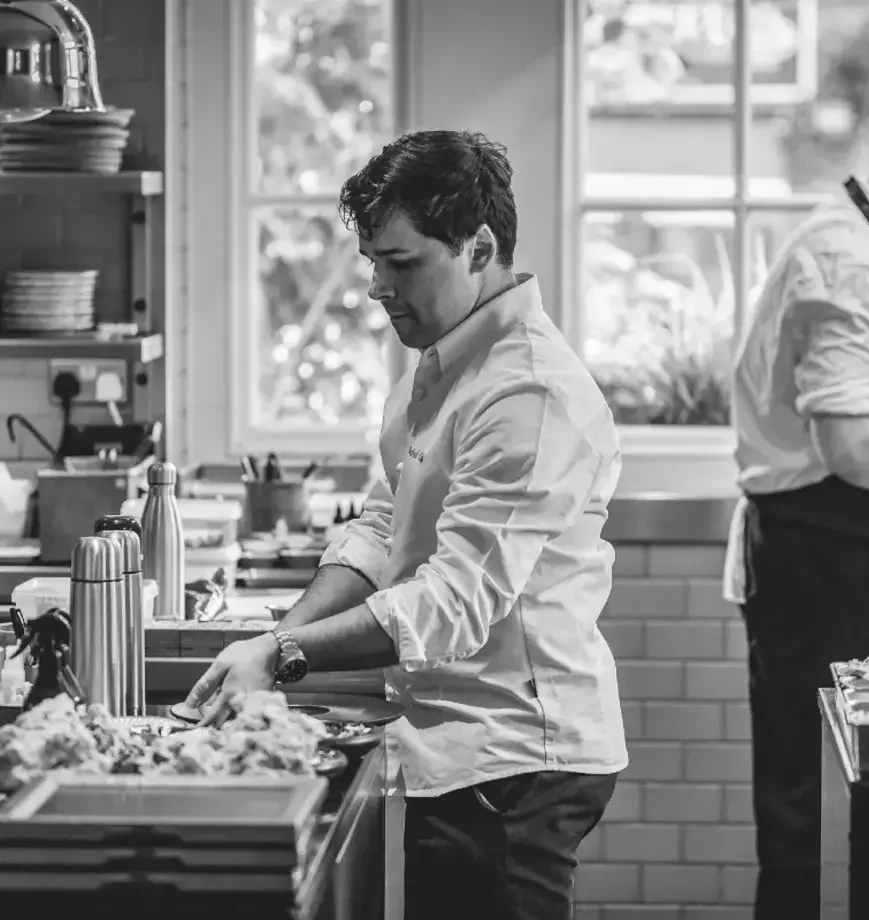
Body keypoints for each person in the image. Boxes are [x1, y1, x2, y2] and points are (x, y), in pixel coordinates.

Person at [184, 129, 627, 920]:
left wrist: (284, 654)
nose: (378, 288)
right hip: (452, 740)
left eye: (402, 263)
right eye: (373, 264)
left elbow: (453, 601)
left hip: (515, 756)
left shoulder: (528, 392)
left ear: (479, 246)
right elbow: (382, 528)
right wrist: (274, 641)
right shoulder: (441, 364)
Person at [725, 102, 869, 919]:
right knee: (855, 795)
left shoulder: (851, 242)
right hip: (828, 580)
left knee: (843, 792)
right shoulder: (849, 262)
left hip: (826, 569)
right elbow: (850, 441)